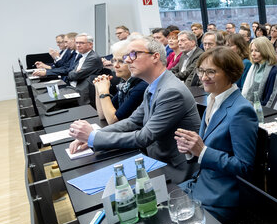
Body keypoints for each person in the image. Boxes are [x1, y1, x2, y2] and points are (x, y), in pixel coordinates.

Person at [169, 47, 258, 224]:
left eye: (211, 72)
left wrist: (202, 151)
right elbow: (205, 148)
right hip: (204, 181)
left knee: (173, 219)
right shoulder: (212, 100)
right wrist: (191, 149)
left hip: (224, 192)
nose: (203, 77)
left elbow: (245, 167)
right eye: (201, 71)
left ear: (229, 74)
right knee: (164, 207)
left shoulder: (241, 110)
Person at [67, 37, 200, 184]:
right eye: (126, 57)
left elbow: (144, 137)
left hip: (175, 170)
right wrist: (94, 135)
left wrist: (93, 138)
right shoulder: (153, 85)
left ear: (155, 56)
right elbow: (133, 121)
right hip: (157, 160)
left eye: (133, 55)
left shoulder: (172, 91)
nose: (128, 61)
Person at [92, 40, 147, 124]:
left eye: (121, 61)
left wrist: (104, 91)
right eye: (114, 60)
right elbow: (102, 115)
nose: (115, 65)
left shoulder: (141, 86)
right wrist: (98, 87)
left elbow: (113, 120)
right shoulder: (125, 83)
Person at [242, 37, 277, 103]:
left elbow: (268, 99)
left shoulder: (273, 72)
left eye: (257, 51)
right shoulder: (254, 67)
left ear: (266, 51)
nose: (253, 54)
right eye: (251, 50)